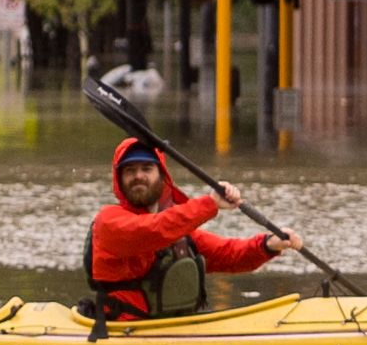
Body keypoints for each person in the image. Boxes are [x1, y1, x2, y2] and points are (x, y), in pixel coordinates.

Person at [84, 137, 275, 321]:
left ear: (162, 177)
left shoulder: (178, 231)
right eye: (130, 170)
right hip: (121, 331)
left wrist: (269, 245)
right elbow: (153, 230)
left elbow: (228, 254)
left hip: (171, 329)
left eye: (147, 169)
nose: (138, 176)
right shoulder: (108, 221)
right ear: (120, 179)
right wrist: (209, 203)